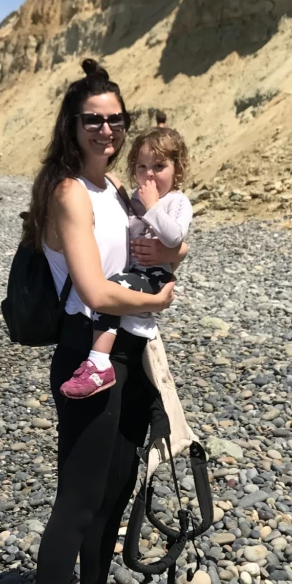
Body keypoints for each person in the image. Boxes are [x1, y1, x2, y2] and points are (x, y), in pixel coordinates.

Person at [8, 57, 186, 584]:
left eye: (116, 120)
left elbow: (161, 243)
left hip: (132, 356)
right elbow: (95, 290)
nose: (107, 130)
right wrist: (158, 294)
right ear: (72, 126)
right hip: (88, 354)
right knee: (76, 504)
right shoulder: (66, 193)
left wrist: (172, 265)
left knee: (112, 493)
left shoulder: (114, 189)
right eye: (94, 121)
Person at [60, 126, 192, 399]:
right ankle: (100, 360)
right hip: (136, 274)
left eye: (159, 166)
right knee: (114, 290)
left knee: (114, 287)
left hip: (154, 278)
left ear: (177, 169)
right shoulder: (135, 199)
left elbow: (175, 236)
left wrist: (154, 207)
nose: (150, 174)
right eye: (142, 167)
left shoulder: (177, 202)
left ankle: (98, 361)